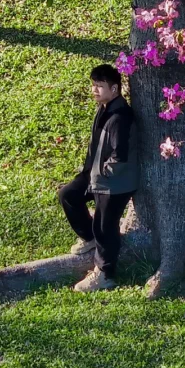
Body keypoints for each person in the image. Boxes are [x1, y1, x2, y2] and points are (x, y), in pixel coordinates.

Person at [58, 64, 138, 292]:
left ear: (114, 89)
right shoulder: (104, 109)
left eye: (99, 87)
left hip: (115, 183)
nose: (94, 90)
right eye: (93, 85)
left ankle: (105, 275)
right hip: (96, 175)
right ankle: (89, 237)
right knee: (69, 195)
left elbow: (119, 157)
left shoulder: (120, 117)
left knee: (105, 226)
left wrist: (102, 174)